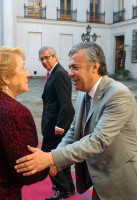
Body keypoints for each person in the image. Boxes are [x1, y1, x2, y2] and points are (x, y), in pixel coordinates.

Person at [15, 42, 137, 200]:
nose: (70, 73)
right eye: (70, 67)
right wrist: (54, 160)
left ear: (94, 67)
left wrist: (51, 158)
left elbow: (98, 141)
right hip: (100, 182)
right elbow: (73, 131)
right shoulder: (82, 94)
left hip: (124, 183)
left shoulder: (118, 94)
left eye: (75, 67)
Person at [0, 46, 50, 200]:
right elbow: (26, 172)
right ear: (5, 77)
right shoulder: (15, 112)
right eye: (22, 69)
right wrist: (49, 164)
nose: (28, 74)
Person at [37, 46, 75, 200]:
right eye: (42, 59)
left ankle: (63, 189)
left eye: (47, 57)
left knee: (47, 157)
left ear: (55, 56)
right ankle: (68, 187)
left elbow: (65, 103)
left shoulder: (59, 74)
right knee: (60, 156)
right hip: (53, 124)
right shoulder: (53, 72)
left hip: (57, 126)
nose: (44, 61)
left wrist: (60, 125)